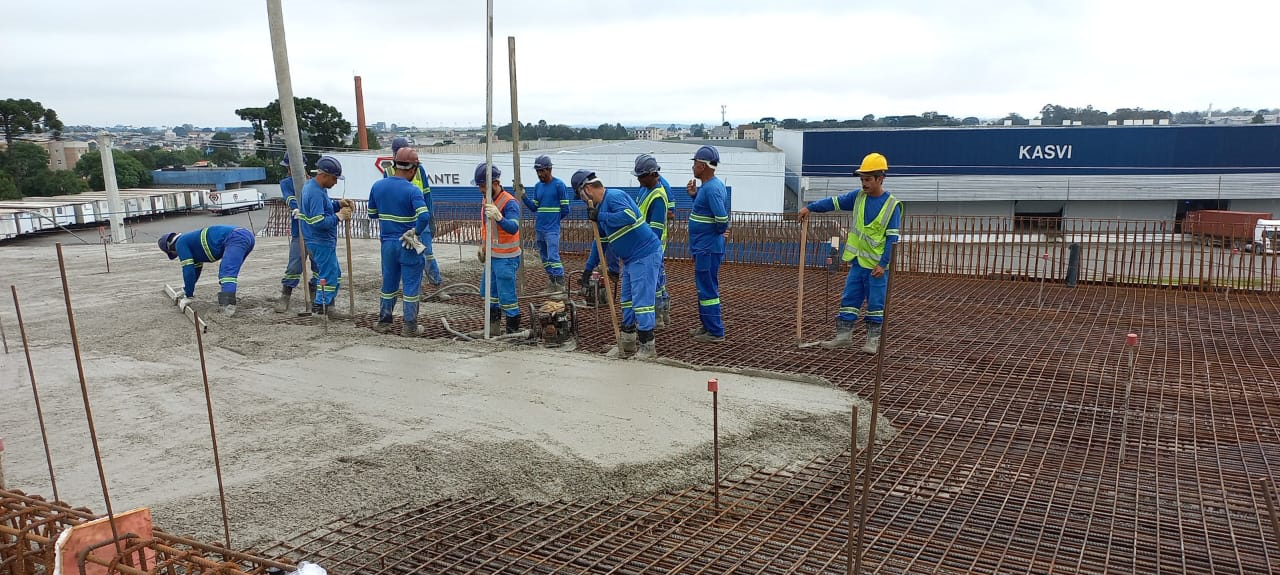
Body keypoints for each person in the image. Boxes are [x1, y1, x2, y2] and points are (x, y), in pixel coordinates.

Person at [797, 152, 902, 354]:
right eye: (862, 179)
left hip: (877, 267)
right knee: (849, 299)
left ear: (880, 178)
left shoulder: (892, 206)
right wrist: (810, 208)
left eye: (868, 179)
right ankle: (843, 337)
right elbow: (833, 202)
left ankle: (872, 341)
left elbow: (892, 239)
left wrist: (883, 263)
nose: (864, 183)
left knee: (875, 303)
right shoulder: (858, 197)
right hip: (857, 262)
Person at [572, 169, 664, 359]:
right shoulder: (599, 209)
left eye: (580, 195)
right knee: (627, 301)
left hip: (644, 254)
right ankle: (627, 342)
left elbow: (628, 216)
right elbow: (600, 243)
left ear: (587, 189)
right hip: (630, 260)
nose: (582, 200)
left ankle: (648, 346)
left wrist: (601, 217)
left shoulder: (613, 196)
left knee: (642, 303)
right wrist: (588, 270)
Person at [369, 147, 432, 336]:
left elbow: (372, 214)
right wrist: (415, 232)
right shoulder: (413, 190)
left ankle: (383, 322)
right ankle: (410, 327)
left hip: (387, 244)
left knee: (389, 284)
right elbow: (424, 216)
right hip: (407, 244)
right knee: (411, 286)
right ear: (413, 169)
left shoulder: (378, 186)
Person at [383, 136, 443, 287]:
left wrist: (431, 218)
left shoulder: (419, 169)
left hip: (421, 220)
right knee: (405, 255)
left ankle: (437, 285)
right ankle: (410, 286)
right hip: (402, 223)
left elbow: (427, 194)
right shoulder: (389, 172)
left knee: (428, 253)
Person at [298, 155, 353, 319]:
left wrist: (338, 204)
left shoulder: (317, 189)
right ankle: (319, 309)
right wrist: (339, 216)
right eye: (334, 179)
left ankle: (326, 307)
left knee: (334, 274)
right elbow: (318, 221)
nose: (335, 182)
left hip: (321, 241)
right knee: (329, 276)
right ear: (325, 175)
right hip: (319, 240)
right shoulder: (314, 192)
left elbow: (324, 208)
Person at [157, 225, 256, 317]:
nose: (178, 255)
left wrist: (188, 296)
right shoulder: (190, 242)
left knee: (227, 274)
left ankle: (228, 307)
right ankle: (227, 301)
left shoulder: (180, 243)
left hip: (236, 238)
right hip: (245, 236)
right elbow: (195, 271)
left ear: (170, 248)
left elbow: (188, 270)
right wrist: (186, 290)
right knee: (227, 273)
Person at [686, 145, 730, 343]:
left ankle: (715, 331)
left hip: (707, 247)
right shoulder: (709, 186)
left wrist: (720, 233)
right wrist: (695, 196)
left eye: (695, 163)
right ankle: (707, 326)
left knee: (708, 289)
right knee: (704, 288)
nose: (693, 167)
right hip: (704, 246)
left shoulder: (711, 188)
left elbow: (721, 219)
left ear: (703, 166)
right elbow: (707, 212)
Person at [474, 162, 522, 335]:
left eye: (483, 186)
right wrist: (483, 245)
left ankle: (512, 332)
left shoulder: (509, 203)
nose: (481, 190)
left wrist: (500, 217)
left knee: (507, 297)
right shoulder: (487, 199)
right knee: (489, 295)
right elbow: (487, 227)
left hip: (506, 259)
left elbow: (513, 227)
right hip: (492, 257)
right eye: (479, 186)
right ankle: (492, 329)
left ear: (495, 183)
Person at [519, 155, 571, 296]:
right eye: (538, 171)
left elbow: (566, 209)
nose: (540, 174)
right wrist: (523, 196)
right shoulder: (538, 187)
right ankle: (552, 283)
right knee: (545, 257)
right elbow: (534, 207)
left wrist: (554, 221)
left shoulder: (559, 185)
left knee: (553, 256)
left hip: (552, 229)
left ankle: (560, 287)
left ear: (549, 169)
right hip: (540, 228)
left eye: (542, 171)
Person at [633, 153, 672, 329]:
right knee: (657, 282)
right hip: (644, 245)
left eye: (642, 176)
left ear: (652, 174)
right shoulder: (645, 190)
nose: (639, 180)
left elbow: (655, 229)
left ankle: (657, 317)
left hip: (651, 247)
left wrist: (645, 250)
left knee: (653, 282)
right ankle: (663, 314)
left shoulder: (657, 196)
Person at [273, 154, 305, 313]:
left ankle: (316, 299)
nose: (288, 170)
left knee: (320, 267)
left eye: (290, 167)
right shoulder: (286, 183)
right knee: (294, 266)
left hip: (316, 232)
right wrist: (296, 207)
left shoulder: (314, 182)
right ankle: (285, 296)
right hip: (298, 231)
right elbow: (289, 198)